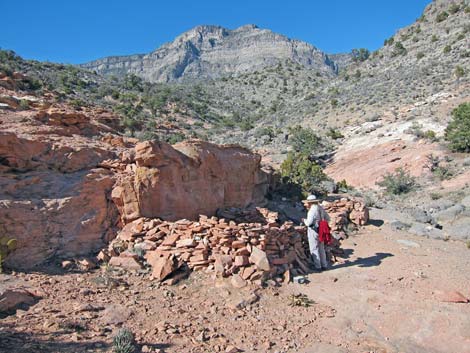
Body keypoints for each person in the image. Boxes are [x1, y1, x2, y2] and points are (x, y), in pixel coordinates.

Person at [302, 194, 330, 271]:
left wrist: (304, 220)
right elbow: (328, 218)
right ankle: (324, 265)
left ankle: (318, 266)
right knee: (321, 248)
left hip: (313, 231)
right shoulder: (320, 208)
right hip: (321, 230)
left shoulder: (311, 211)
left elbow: (309, 223)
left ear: (310, 203)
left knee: (314, 248)